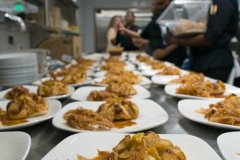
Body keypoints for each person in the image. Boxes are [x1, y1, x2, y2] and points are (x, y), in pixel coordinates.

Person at [168, 0, 238, 82]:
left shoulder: (223, 2)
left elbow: (210, 38)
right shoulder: (208, 2)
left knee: (209, 91)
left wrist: (178, 41)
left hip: (215, 62)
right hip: (201, 59)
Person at [118, 0, 186, 67]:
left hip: (171, 58)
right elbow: (142, 35)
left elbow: (178, 39)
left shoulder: (165, 19)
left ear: (161, 6)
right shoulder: (156, 19)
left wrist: (165, 51)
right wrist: (147, 42)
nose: (151, 7)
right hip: (160, 59)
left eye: (153, 4)